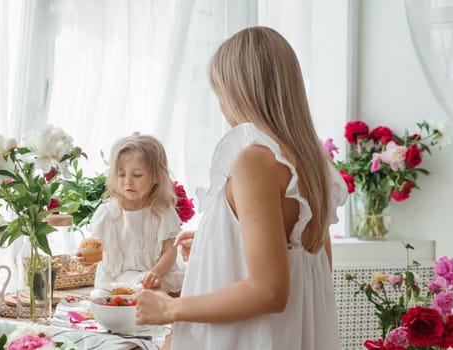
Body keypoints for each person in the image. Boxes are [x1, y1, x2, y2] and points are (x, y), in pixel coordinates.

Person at [135, 26, 348, 349]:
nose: (221, 106)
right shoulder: (311, 161)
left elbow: (269, 291)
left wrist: (170, 307)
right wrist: (216, 241)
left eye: (220, 92)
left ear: (241, 92)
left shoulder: (254, 161)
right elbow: (309, 260)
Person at [79, 133, 185, 298]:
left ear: (156, 176)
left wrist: (155, 273)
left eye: (137, 175)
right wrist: (86, 258)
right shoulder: (108, 213)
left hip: (157, 272)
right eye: (122, 175)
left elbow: (170, 252)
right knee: (102, 296)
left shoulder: (162, 211)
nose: (128, 181)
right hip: (119, 276)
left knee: (179, 286)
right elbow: (97, 249)